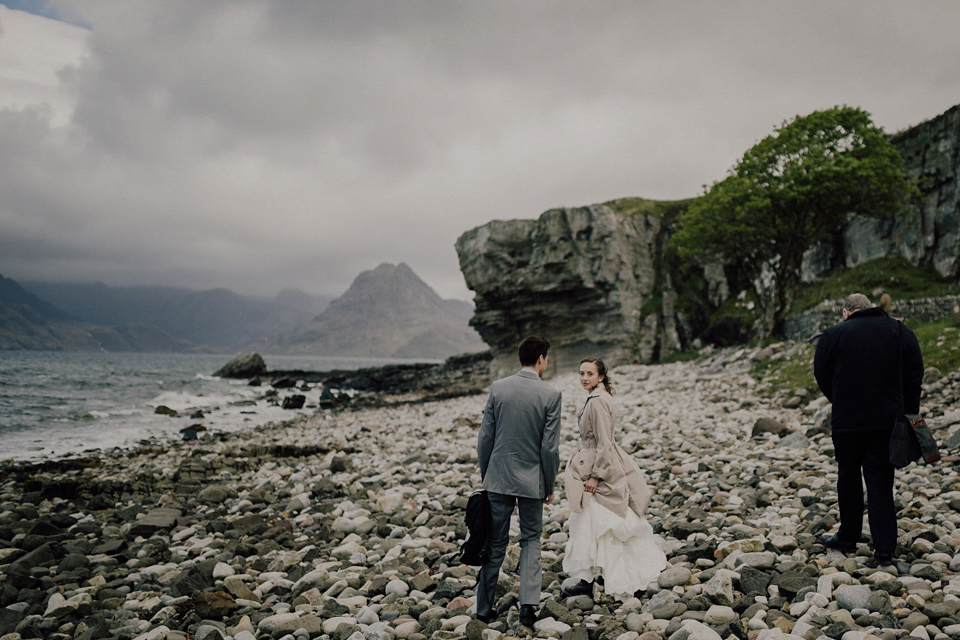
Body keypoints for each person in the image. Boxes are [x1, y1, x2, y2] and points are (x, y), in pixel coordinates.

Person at [813, 293, 923, 565]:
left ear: (846, 312)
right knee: (880, 481)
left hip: (846, 421)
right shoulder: (899, 330)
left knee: (848, 476)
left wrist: (838, 399)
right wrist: (908, 409)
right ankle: (884, 550)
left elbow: (821, 373)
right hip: (886, 422)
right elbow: (915, 372)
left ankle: (848, 537)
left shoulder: (834, 334)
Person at [562, 356, 667, 599]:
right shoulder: (597, 397)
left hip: (601, 465)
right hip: (599, 460)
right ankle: (594, 575)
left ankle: (603, 577)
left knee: (598, 519)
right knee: (598, 519)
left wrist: (596, 476)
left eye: (589, 374)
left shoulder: (598, 401)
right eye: (581, 373)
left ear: (600, 376)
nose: (584, 378)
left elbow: (604, 443)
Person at [476, 336, 562, 626]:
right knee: (530, 540)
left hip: (498, 478)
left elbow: (485, 437)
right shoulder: (551, 395)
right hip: (531, 481)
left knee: (495, 543)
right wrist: (549, 485)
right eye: (546, 358)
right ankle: (528, 607)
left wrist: (486, 474)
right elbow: (549, 448)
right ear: (540, 359)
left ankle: (483, 610)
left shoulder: (498, 388)